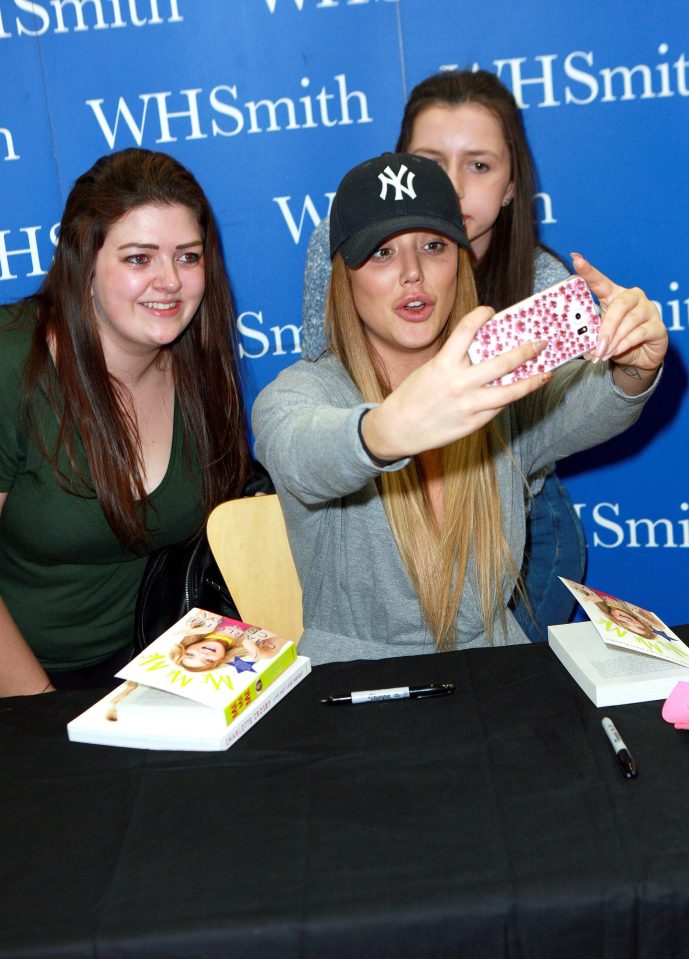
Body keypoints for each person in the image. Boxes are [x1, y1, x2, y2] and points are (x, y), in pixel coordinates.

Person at [252, 152, 666, 666]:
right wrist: (386, 431)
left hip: (498, 674)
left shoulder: (499, 382)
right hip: (356, 694)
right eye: (381, 253)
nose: (413, 273)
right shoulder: (298, 394)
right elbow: (300, 452)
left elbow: (595, 401)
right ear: (344, 278)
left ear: (460, 263)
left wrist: (635, 364)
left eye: (433, 246)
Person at [301, 69, 585, 642]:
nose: (453, 186)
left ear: (511, 186)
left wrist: (631, 370)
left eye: (478, 165)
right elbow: (324, 387)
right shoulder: (336, 249)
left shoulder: (543, 283)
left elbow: (574, 416)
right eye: (431, 162)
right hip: (388, 494)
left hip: (521, 509)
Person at [0, 148, 250, 696]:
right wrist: (42, 713)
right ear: (83, 262)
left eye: (188, 257)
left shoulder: (199, 364)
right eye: (139, 259)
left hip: (157, 670)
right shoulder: (12, 363)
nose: (170, 282)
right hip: (25, 687)